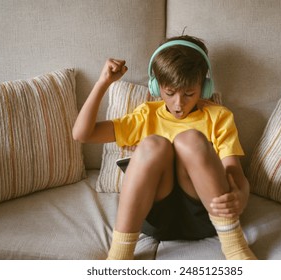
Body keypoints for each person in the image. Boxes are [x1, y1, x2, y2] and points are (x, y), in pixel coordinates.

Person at [72, 35, 256, 260]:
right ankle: (119, 256)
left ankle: (235, 247)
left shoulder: (218, 116)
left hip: (206, 216)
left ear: (205, 87)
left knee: (191, 140)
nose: (179, 104)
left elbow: (234, 171)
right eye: (170, 93)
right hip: (154, 216)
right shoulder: (146, 114)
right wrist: (103, 83)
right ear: (156, 87)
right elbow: (82, 134)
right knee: (153, 145)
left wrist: (241, 195)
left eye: (189, 94)